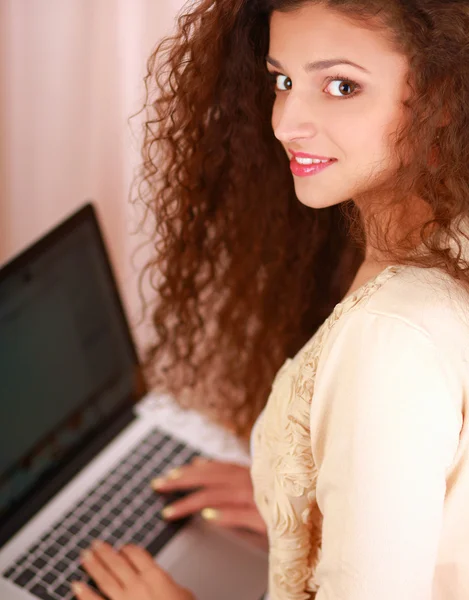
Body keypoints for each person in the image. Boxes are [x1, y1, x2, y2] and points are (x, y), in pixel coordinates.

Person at [71, 0, 469, 599]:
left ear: (443, 100)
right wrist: (303, 516)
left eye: (341, 85)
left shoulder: (391, 334)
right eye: (283, 79)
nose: (285, 122)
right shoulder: (440, 235)